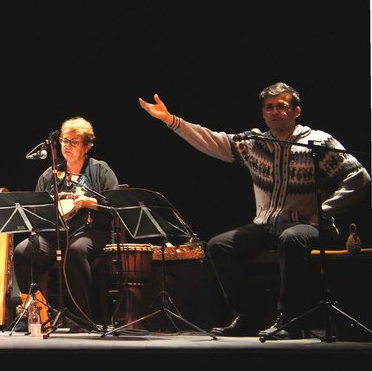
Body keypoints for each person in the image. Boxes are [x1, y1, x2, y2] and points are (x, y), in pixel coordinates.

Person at [139, 82, 371, 339]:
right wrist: (172, 120)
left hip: (311, 225)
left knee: (292, 238)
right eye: (269, 107)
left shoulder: (318, 142)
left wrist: (327, 208)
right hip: (267, 226)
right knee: (219, 245)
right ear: (263, 113)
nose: (274, 112)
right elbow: (213, 141)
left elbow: (359, 177)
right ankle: (248, 316)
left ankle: (290, 320)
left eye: (281, 106)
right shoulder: (255, 143)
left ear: (296, 111)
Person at [13, 116, 119, 333]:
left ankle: (81, 318)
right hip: (56, 233)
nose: (67, 146)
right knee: (23, 251)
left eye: (74, 142)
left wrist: (90, 202)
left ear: (87, 146)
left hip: (91, 231)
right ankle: (37, 313)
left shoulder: (100, 169)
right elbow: (35, 208)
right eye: (64, 140)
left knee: (75, 251)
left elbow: (116, 205)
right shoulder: (51, 173)